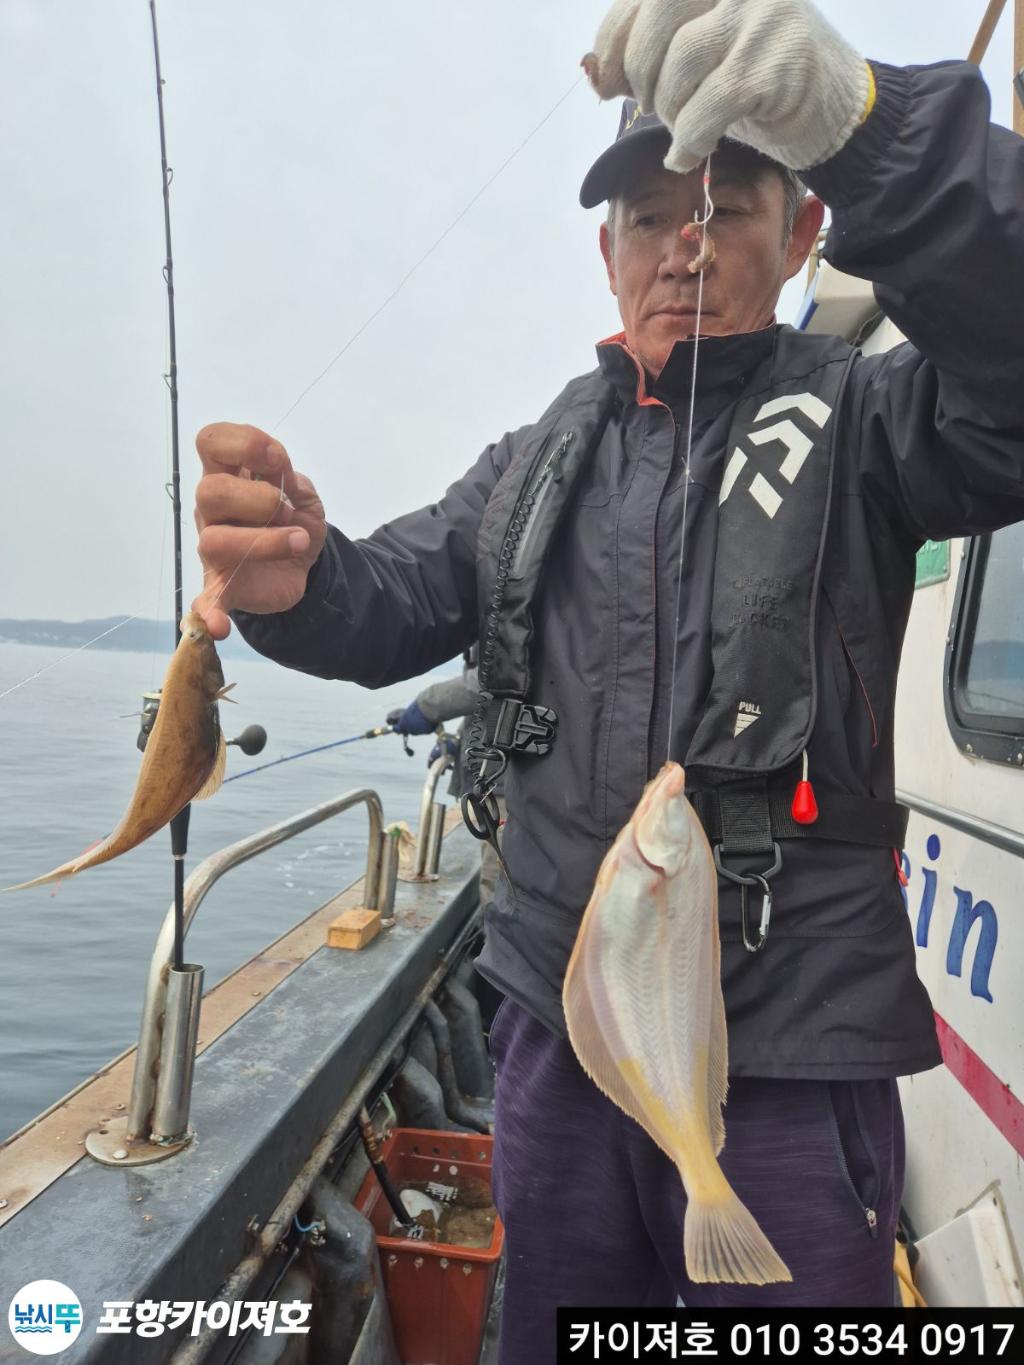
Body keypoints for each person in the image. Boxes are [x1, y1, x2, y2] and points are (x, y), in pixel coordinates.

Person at [191, 0, 1024, 1345]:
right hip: (560, 1034)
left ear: (803, 233)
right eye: (650, 215)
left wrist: (873, 132)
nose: (686, 240)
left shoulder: (871, 416)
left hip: (795, 1050)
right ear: (607, 251)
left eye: (730, 204)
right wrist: (302, 577)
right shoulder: (539, 457)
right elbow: (391, 596)